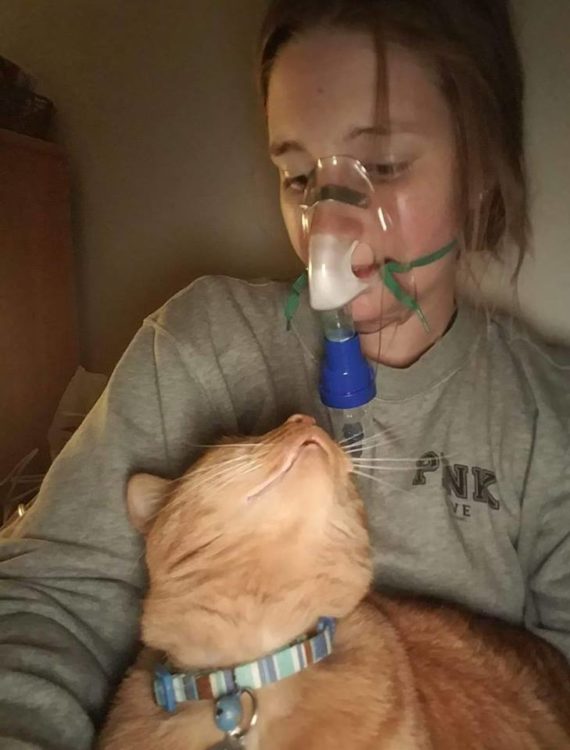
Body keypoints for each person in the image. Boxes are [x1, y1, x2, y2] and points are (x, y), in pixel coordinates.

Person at [0, 0, 569, 747]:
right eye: (299, 177)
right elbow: (53, 603)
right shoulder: (201, 343)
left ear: (482, 174)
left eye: (386, 165)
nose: (326, 230)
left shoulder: (545, 414)